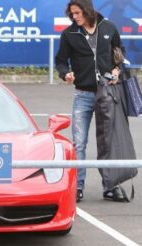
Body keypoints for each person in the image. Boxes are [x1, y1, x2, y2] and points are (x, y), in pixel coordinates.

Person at [55, 0, 123, 202]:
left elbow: (119, 52)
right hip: (82, 94)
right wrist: (65, 73)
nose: (74, 16)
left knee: (108, 143)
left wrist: (117, 70)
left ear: (88, 10)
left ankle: (110, 187)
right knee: (79, 143)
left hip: (107, 94)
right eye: (72, 13)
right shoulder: (69, 34)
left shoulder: (108, 27)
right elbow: (60, 61)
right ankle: (78, 186)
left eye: (77, 13)